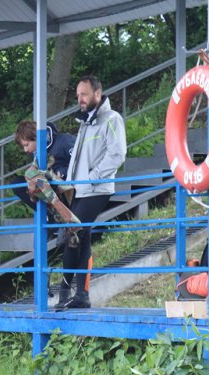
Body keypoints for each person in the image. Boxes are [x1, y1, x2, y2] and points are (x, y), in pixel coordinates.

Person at [58, 75, 127, 309]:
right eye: (78, 95)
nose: (80, 99)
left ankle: (65, 292)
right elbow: (78, 159)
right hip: (79, 190)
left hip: (96, 189)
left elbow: (117, 153)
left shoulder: (111, 119)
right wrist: (67, 183)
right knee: (80, 237)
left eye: (84, 94)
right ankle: (81, 295)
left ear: (98, 93)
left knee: (73, 232)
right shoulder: (85, 123)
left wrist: (94, 177)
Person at [11, 120, 79, 246]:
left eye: (26, 145)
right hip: (48, 186)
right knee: (18, 184)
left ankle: (63, 220)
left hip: (67, 187)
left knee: (41, 180)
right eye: (23, 147)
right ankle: (51, 217)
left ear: (36, 138)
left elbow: (80, 162)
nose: (25, 150)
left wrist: (61, 172)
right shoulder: (37, 152)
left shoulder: (64, 141)